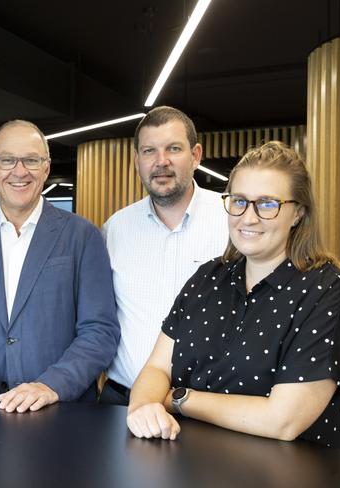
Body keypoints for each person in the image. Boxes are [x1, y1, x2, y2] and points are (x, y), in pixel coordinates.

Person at [126, 141, 340, 448]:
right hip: (190, 468)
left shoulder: (324, 289)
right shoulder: (207, 277)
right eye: (239, 201)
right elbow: (156, 368)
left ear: (298, 213)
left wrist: (178, 398)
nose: (248, 217)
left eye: (268, 204)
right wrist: (144, 407)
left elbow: (283, 420)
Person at [0, 120, 120, 413]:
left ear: (46, 168)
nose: (19, 171)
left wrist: (53, 385)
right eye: (7, 160)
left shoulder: (83, 236)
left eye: (31, 160)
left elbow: (100, 330)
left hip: (62, 413)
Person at [100, 106, 229, 405]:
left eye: (173, 148)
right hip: (122, 401)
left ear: (196, 155)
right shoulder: (114, 229)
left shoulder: (232, 221)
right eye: (149, 151)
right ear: (137, 161)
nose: (161, 162)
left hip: (209, 406)